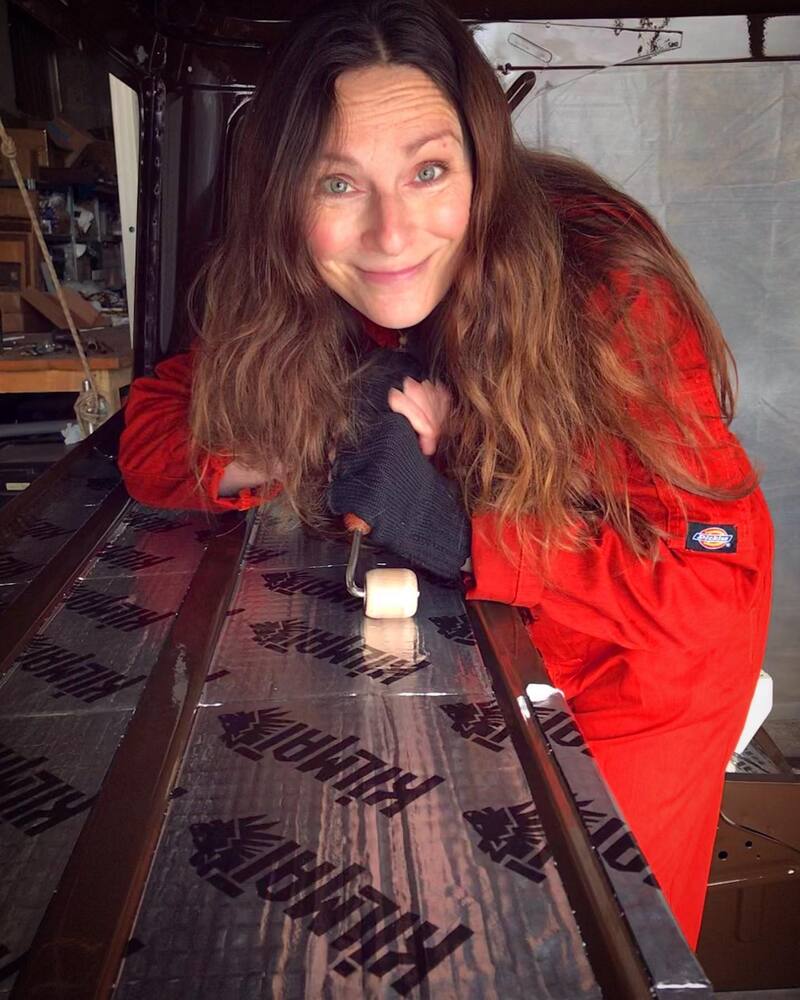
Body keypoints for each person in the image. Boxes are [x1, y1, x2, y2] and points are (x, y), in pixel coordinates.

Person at [118, 0, 773, 949]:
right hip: (462, 671)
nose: (391, 234)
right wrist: (326, 423)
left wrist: (464, 526)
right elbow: (153, 435)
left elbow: (708, 594)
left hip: (625, 706)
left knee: (566, 951)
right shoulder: (292, 279)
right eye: (337, 183)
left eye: (429, 172)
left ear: (484, 168)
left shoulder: (605, 288)